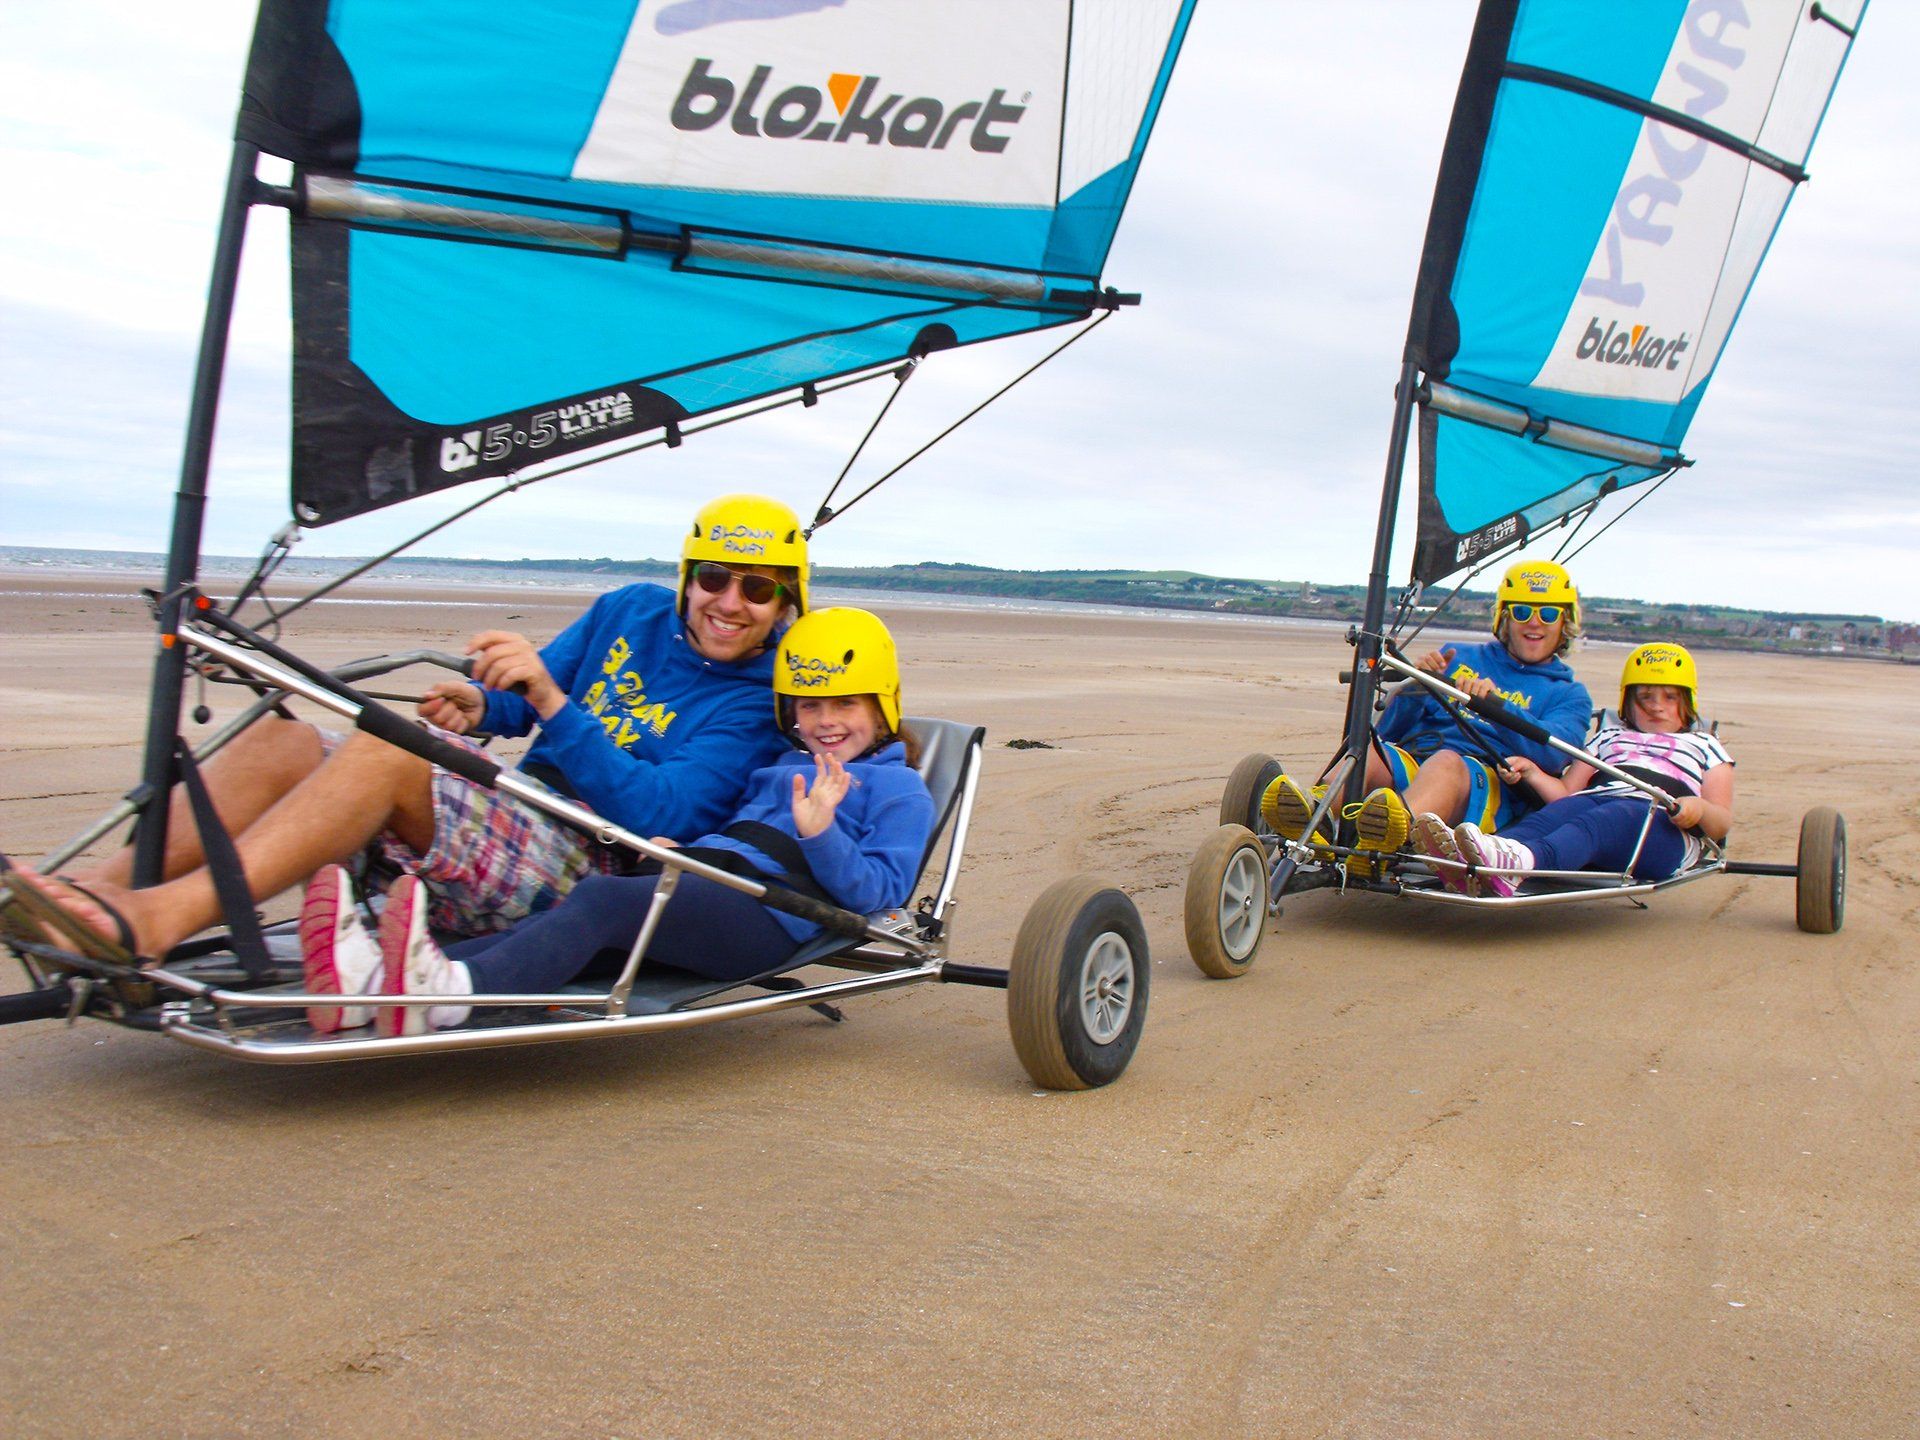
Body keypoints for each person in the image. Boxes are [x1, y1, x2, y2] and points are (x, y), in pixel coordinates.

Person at [13, 493, 810, 966]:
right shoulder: (630, 610)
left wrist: (548, 705)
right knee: (283, 739)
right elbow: (519, 699)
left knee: (386, 752)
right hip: (514, 812)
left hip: (590, 864)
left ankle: (160, 921)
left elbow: (661, 813)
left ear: (785, 603)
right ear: (687, 575)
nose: (728, 603)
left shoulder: (760, 697)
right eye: (713, 577)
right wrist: (479, 704)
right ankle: (98, 893)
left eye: (757, 590)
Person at [299, 607, 937, 1035]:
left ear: (882, 708)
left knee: (603, 903)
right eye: (810, 705)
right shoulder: (785, 764)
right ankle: (385, 981)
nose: (827, 721)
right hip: (714, 881)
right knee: (580, 906)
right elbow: (737, 833)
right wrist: (677, 849)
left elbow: (876, 896)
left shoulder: (899, 788)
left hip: (777, 917)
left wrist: (821, 833)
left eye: (847, 704)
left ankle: (452, 993)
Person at [1260, 559, 1594, 861]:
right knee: (1372, 750)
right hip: (1417, 761)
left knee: (1447, 762)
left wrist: (1496, 708)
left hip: (1486, 783)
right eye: (1522, 611)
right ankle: (1316, 815)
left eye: (1548, 614)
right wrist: (1416, 687)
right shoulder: (1457, 656)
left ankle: (1390, 834)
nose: (1534, 623)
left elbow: (1554, 757)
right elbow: (1388, 730)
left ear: (1564, 622)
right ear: (1505, 617)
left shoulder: (1570, 694)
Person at [1412, 642, 1733, 897]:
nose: (1655, 705)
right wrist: (1533, 774)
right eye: (1644, 696)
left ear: (1687, 702)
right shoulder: (1609, 735)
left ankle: (1520, 866)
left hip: (1662, 826)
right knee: (1550, 817)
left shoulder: (1704, 744)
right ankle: (1474, 860)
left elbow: (1720, 824)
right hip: (1598, 802)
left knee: (1602, 820)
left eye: (1670, 697)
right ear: (1627, 701)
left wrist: (1699, 809)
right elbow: (1565, 793)